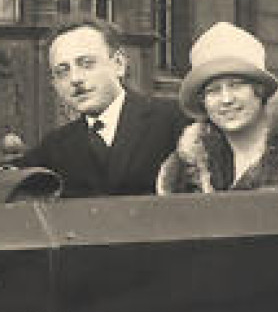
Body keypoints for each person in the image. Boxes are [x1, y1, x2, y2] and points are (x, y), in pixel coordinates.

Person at [156, 22, 278, 193]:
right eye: (213, 90)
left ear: (260, 90)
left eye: (236, 85)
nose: (226, 99)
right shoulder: (184, 173)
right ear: (203, 102)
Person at [17, 17, 184, 198]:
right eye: (62, 71)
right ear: (55, 84)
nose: (75, 79)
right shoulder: (56, 146)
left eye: (86, 64)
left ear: (119, 64)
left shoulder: (173, 121)